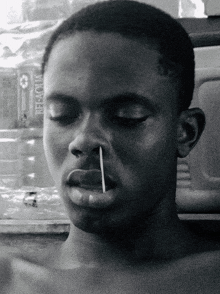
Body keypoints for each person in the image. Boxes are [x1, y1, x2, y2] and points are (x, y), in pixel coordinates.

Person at [1, 1, 220, 293]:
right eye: (61, 116)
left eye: (127, 117)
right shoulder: (9, 278)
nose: (84, 141)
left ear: (186, 133)